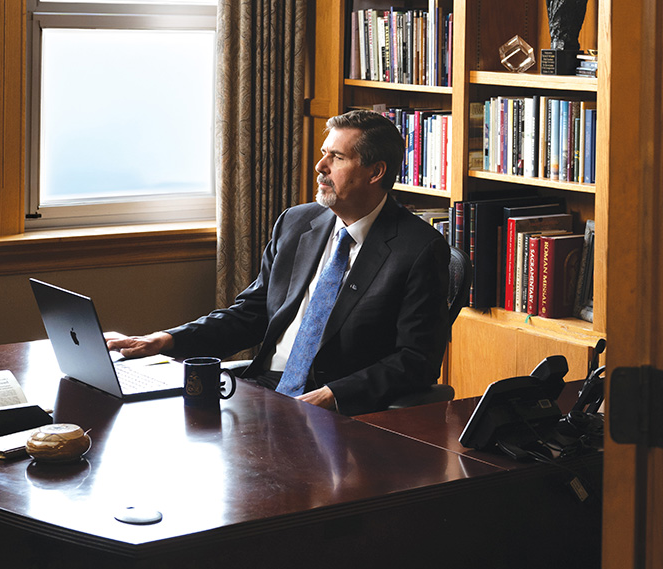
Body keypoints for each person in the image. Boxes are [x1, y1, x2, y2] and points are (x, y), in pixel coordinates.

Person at [107, 110, 450, 416]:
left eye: (337, 157)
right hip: (264, 389)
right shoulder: (297, 223)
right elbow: (251, 313)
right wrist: (165, 340)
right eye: (324, 153)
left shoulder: (418, 248)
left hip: (334, 405)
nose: (321, 166)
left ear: (375, 172)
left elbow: (416, 360)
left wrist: (333, 395)